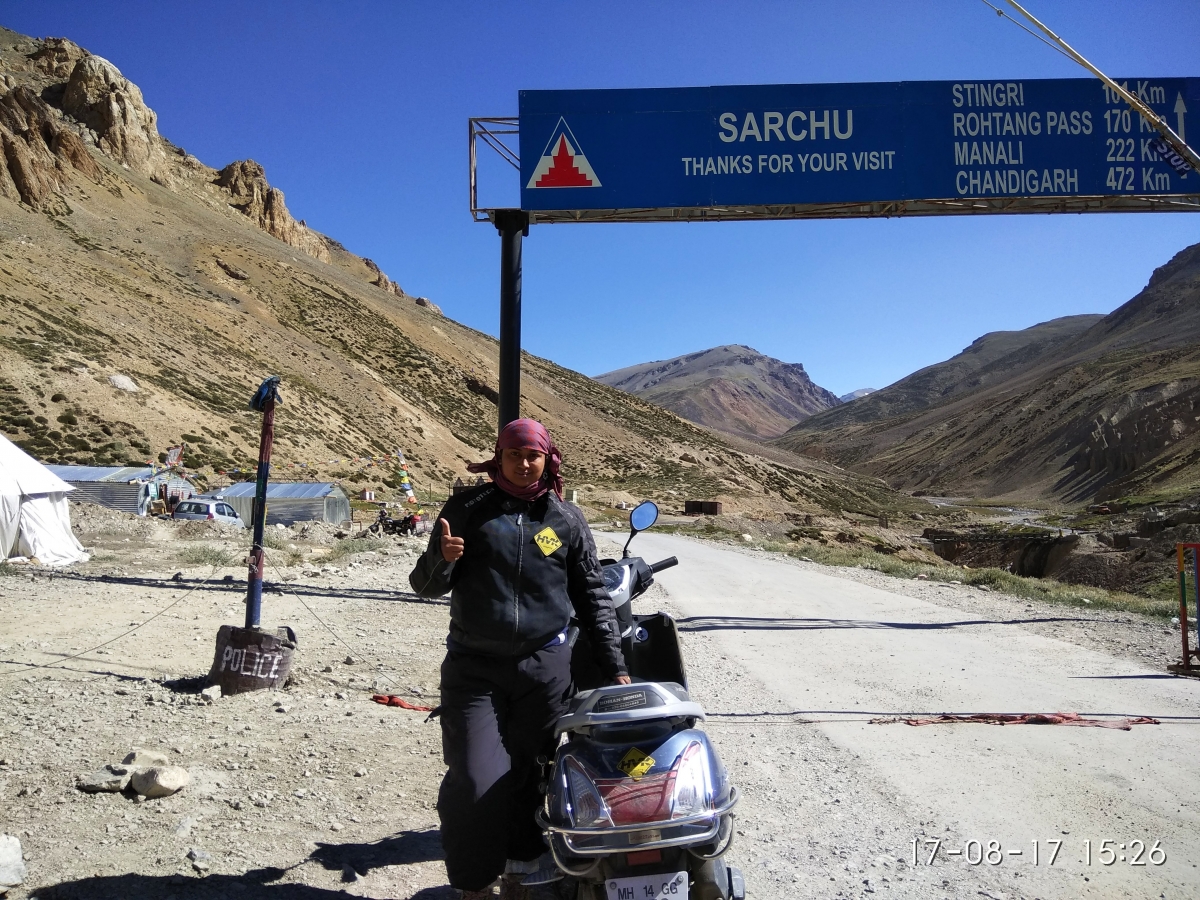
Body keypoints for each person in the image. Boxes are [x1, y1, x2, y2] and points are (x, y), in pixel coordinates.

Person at [409, 419, 629, 899]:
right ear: (499, 457)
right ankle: (474, 884)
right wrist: (442, 559)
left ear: (547, 460)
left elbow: (592, 594)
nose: (524, 464)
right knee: (475, 778)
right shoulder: (468, 508)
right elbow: (424, 586)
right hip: (474, 668)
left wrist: (615, 665)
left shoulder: (565, 518)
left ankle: (521, 872)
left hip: (544, 670)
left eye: (533, 456)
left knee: (531, 775)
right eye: (514, 454)